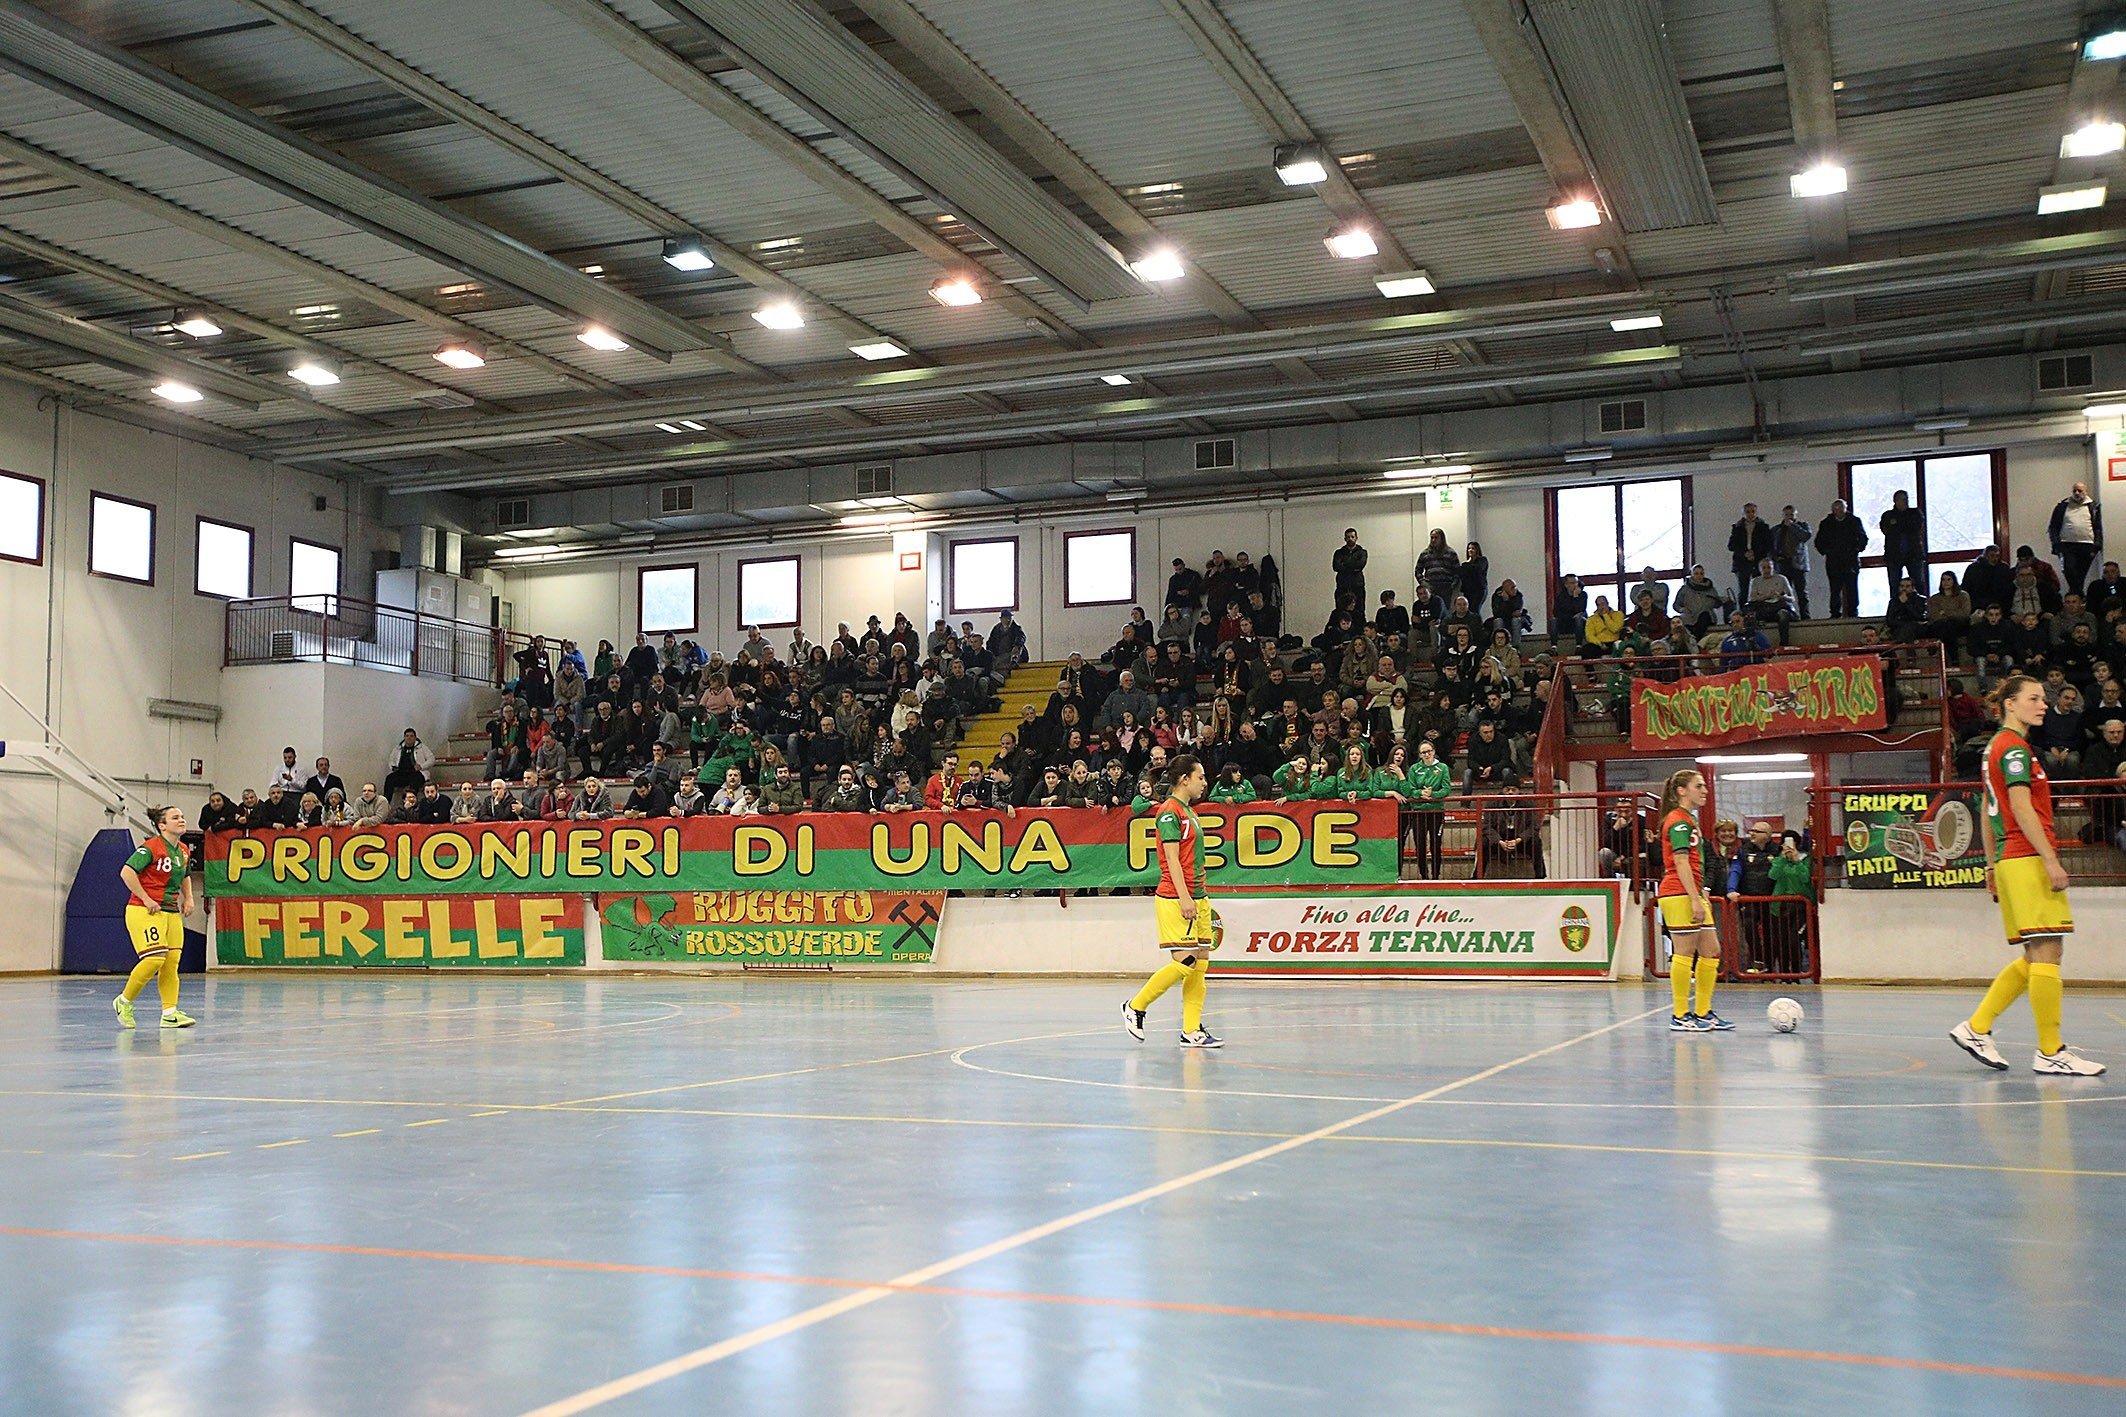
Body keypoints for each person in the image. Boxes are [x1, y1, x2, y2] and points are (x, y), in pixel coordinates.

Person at [1949, 674, 2107, 1075]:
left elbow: (1987, 810)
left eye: (2043, 699)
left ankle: (1977, 1027)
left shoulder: (1993, 748)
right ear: (2010, 704)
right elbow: (2019, 807)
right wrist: (2050, 859)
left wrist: (1991, 865)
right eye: (2034, 698)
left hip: (2010, 859)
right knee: (2048, 952)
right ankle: (2050, 1050)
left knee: (2037, 954)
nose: (2042, 705)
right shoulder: (2014, 749)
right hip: (2027, 856)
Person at [1120, 756, 1222, 1049]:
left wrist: (1198, 896)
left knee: (1200, 964)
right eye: (1200, 777)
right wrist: (1185, 897)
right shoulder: (1169, 812)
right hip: (1177, 897)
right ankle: (1136, 1006)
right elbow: (1171, 860)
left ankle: (1191, 1030)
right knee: (1186, 963)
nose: (1204, 783)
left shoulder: (1190, 811)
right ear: (1184, 779)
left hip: (1198, 895)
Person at [1656, 769, 1730, 1033]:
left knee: (1711, 950)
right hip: (1678, 893)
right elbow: (1680, 861)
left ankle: (1703, 1012)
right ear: (1682, 791)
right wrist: (1693, 898)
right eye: (1698, 786)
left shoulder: (1689, 819)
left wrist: (1701, 893)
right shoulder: (1678, 820)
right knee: (1684, 952)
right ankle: (1679, 1014)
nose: (1705, 790)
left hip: (1691, 892)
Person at [113, 805, 196, 1029]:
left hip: (171, 912)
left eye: (182, 816)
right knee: (155, 958)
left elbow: (185, 875)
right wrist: (146, 898)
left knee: (171, 963)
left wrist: (188, 898)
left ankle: (169, 1013)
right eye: (175, 817)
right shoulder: (151, 847)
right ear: (162, 825)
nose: (182, 820)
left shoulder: (183, 850)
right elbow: (126, 872)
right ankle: (124, 1001)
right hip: (145, 910)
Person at [1406, 739, 1451, 879]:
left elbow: (1446, 789)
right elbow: (1410, 789)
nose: (1426, 754)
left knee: (1436, 845)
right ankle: (1424, 876)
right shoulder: (1414, 769)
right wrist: (1420, 793)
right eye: (1423, 752)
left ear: (1434, 752)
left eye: (1429, 751)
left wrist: (1433, 795)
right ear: (1419, 754)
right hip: (1419, 812)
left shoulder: (1443, 768)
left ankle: (1436, 876)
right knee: (1420, 845)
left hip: (1436, 811)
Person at [2049, 481, 2103, 597]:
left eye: (2080, 491)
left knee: (2081, 574)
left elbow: (2098, 528)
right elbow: (2053, 527)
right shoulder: (2063, 506)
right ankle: (2078, 595)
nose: (2077, 493)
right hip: (2066, 545)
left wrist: (2097, 546)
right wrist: (2056, 545)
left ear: (2085, 492)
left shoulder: (2093, 507)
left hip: (2087, 545)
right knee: (2069, 570)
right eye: (2074, 491)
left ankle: (2075, 595)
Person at [1816, 498, 1868, 618]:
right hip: (1833, 561)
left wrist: (1856, 549)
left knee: (1852, 588)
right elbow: (1819, 541)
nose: (1838, 511)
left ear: (1845, 509)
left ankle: (1853, 612)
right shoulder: (1826, 523)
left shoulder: (1854, 521)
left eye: (1841, 508)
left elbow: (1863, 538)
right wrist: (1826, 551)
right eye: (1836, 509)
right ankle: (1835, 613)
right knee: (1835, 589)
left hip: (1850, 560)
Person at [1879, 489, 1926, 602]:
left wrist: (1898, 525)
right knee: (1895, 585)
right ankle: (1896, 608)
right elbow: (1887, 530)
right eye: (1902, 500)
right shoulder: (1887, 516)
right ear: (1895, 501)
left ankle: (1920, 607)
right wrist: (1901, 525)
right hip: (1894, 555)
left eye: (1906, 499)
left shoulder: (1915, 513)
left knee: (1918, 584)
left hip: (1914, 554)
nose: (1905, 502)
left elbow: (1915, 527)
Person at [1727, 502, 1774, 606]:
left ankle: (1758, 612)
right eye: (1748, 512)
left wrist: (1754, 553)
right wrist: (1745, 553)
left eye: (1753, 511)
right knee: (1743, 590)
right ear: (1743, 513)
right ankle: (1743, 612)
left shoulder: (1763, 527)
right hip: (1741, 562)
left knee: (1759, 589)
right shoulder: (1737, 527)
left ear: (1756, 513)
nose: (1750, 514)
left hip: (1758, 562)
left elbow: (1768, 545)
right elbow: (1731, 545)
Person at [1773, 505, 1813, 618]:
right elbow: (1771, 546)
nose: (1789, 517)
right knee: (1784, 593)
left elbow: (1805, 536)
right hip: (1782, 564)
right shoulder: (1776, 529)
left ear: (1795, 515)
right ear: (1783, 515)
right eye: (1786, 515)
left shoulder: (1803, 526)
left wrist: (1792, 525)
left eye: (1791, 514)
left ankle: (1805, 616)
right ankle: (1788, 615)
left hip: (1798, 564)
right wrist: (1775, 558)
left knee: (1802, 592)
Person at [383, 728, 434, 801]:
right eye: (407, 736)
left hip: (416, 773)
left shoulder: (422, 747)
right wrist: (393, 767)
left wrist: (421, 766)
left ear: (415, 738)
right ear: (404, 737)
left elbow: (431, 759)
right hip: (401, 772)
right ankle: (386, 803)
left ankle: (411, 802)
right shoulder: (398, 748)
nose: (409, 738)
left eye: (411, 736)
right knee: (389, 779)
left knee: (415, 781)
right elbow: (391, 760)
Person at [1332, 529, 1367, 610]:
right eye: (1348, 537)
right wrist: (1354, 567)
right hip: (1342, 586)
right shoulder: (1339, 553)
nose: (1350, 539)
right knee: (1341, 610)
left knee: (1359, 610)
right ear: (1345, 539)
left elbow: (1360, 565)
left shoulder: (1362, 552)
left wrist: (1344, 565)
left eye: (1352, 537)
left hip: (1357, 586)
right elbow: (1336, 567)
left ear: (1356, 538)